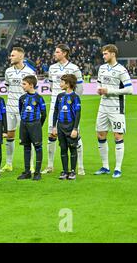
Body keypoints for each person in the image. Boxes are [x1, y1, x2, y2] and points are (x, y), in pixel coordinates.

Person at [44, 44, 84, 175]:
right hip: (56, 105)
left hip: (70, 107)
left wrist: (71, 101)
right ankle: (50, 166)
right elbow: (51, 86)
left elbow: (80, 89)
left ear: (65, 53)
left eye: (57, 52)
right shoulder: (52, 68)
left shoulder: (74, 68)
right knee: (51, 135)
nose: (54, 54)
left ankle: (80, 167)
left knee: (75, 135)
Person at [95, 44, 133, 179]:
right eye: (103, 54)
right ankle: (105, 166)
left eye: (105, 54)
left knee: (118, 136)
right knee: (100, 135)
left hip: (116, 107)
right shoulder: (102, 68)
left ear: (113, 54)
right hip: (103, 106)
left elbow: (129, 90)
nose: (103, 56)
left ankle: (117, 168)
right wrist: (99, 89)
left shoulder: (121, 70)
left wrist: (109, 91)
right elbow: (99, 83)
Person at [1, 47, 36, 173]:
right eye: (10, 55)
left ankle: (31, 165)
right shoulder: (8, 71)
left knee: (27, 137)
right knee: (9, 135)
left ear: (21, 56)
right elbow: (8, 88)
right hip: (10, 108)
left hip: (24, 109)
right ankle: (8, 164)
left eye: (13, 55)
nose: (10, 57)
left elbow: (32, 91)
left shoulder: (29, 72)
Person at [52, 74, 81, 180]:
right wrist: (54, 126)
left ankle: (73, 171)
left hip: (70, 126)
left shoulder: (75, 97)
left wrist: (75, 129)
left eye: (62, 82)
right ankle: (65, 171)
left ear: (68, 84)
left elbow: (78, 114)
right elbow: (55, 111)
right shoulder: (59, 96)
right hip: (60, 126)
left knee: (72, 148)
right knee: (63, 148)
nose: (60, 84)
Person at [17, 75, 46, 181]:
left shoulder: (39, 98)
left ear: (31, 85)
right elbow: (21, 111)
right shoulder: (22, 98)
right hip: (24, 125)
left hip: (35, 125)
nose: (22, 86)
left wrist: (38, 125)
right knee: (26, 147)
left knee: (38, 147)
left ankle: (37, 173)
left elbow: (44, 114)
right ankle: (27, 172)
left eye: (24, 84)